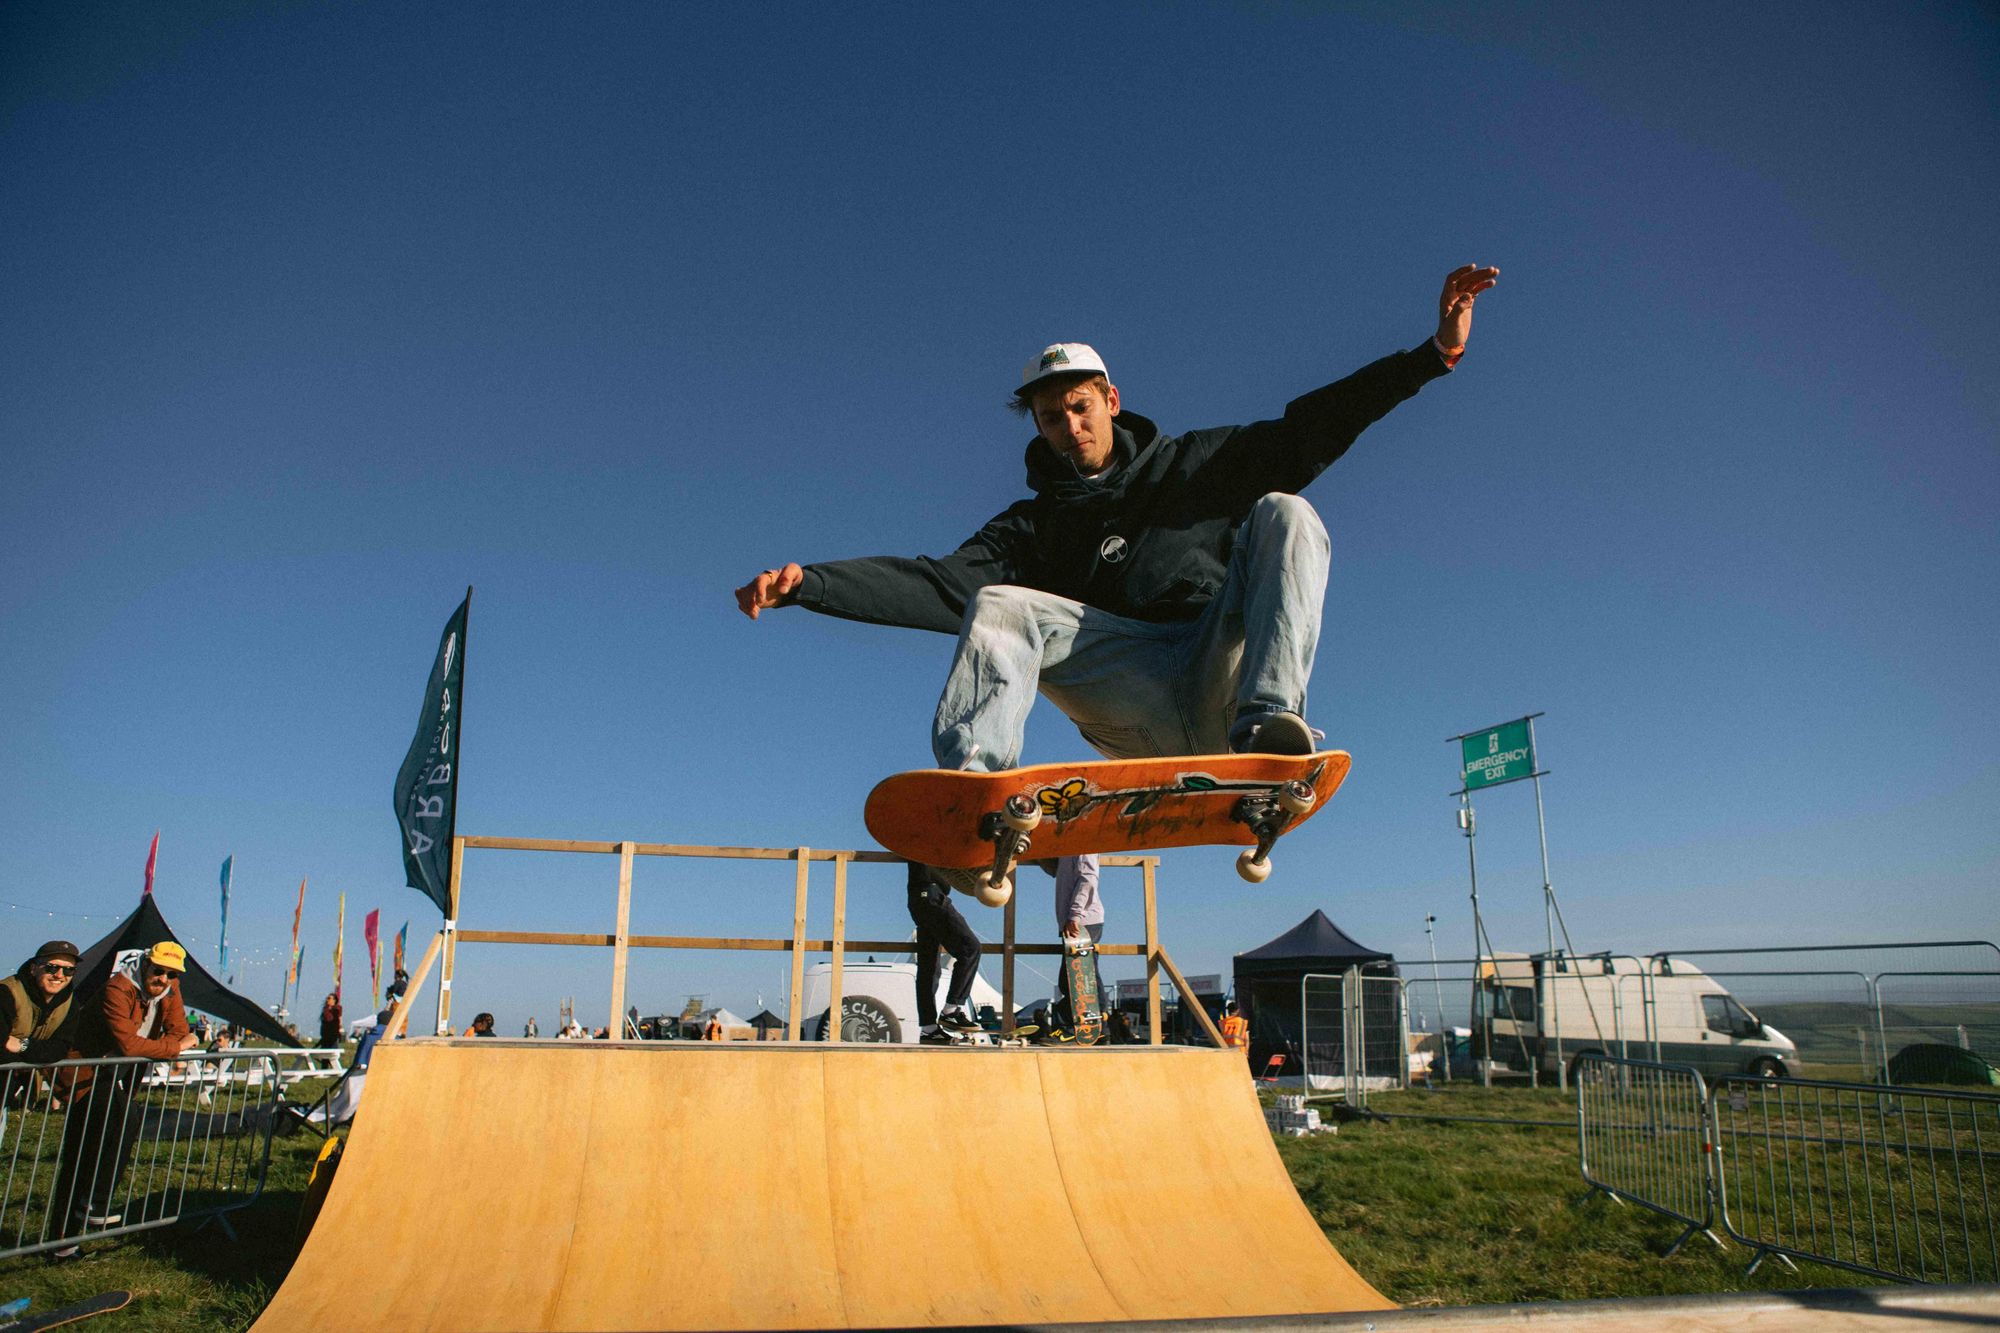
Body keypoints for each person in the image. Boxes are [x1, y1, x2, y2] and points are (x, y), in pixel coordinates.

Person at [736, 268, 1498, 896]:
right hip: (1126, 693)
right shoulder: (1030, 527)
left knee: (1287, 513)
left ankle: (1270, 723)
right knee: (999, 602)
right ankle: (979, 801)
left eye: (1078, 406)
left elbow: (1311, 426)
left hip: (1216, 671)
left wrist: (1432, 355)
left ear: (1110, 399)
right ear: (1037, 427)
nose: (1069, 426)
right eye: (1049, 417)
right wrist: (813, 584)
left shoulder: (1196, 464)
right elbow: (936, 584)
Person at [50, 942, 199, 1252]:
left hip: (119, 1073)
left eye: (171, 974)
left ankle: (92, 1210)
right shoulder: (118, 988)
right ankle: (65, 1236)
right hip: (88, 1073)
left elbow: (177, 1027)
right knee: (85, 1151)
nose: (163, 979)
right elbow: (133, 1044)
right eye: (158, 970)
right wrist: (177, 1048)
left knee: (121, 1129)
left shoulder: (170, 989)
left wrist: (171, 1042)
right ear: (145, 964)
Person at [907, 862, 982, 1045]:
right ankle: (951, 1011)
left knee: (929, 967)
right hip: (930, 895)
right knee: (971, 948)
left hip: (918, 899)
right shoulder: (928, 841)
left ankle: (929, 1029)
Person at [1043, 855, 1102, 1038]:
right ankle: (1099, 1030)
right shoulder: (1069, 849)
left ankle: (1072, 1030)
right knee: (1083, 975)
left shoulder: (1083, 844)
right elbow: (1058, 872)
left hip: (1081, 922)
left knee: (1075, 979)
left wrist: (1074, 915)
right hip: (1075, 921)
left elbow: (1089, 878)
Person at [1, 939, 81, 1069]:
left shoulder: (70, 1003)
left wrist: (23, 1046)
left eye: (69, 970)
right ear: (34, 969)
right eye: (52, 968)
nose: (59, 975)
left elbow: (61, 1049)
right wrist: (39, 1053)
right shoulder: (6, 993)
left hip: (27, 1077)